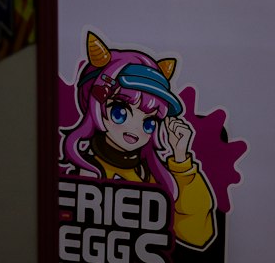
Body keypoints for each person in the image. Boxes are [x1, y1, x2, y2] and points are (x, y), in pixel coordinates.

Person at [61, 30, 216, 249]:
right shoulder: (80, 168)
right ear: (95, 107)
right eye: (120, 112)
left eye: (149, 122)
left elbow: (198, 235)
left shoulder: (153, 175)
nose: (135, 129)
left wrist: (181, 161)